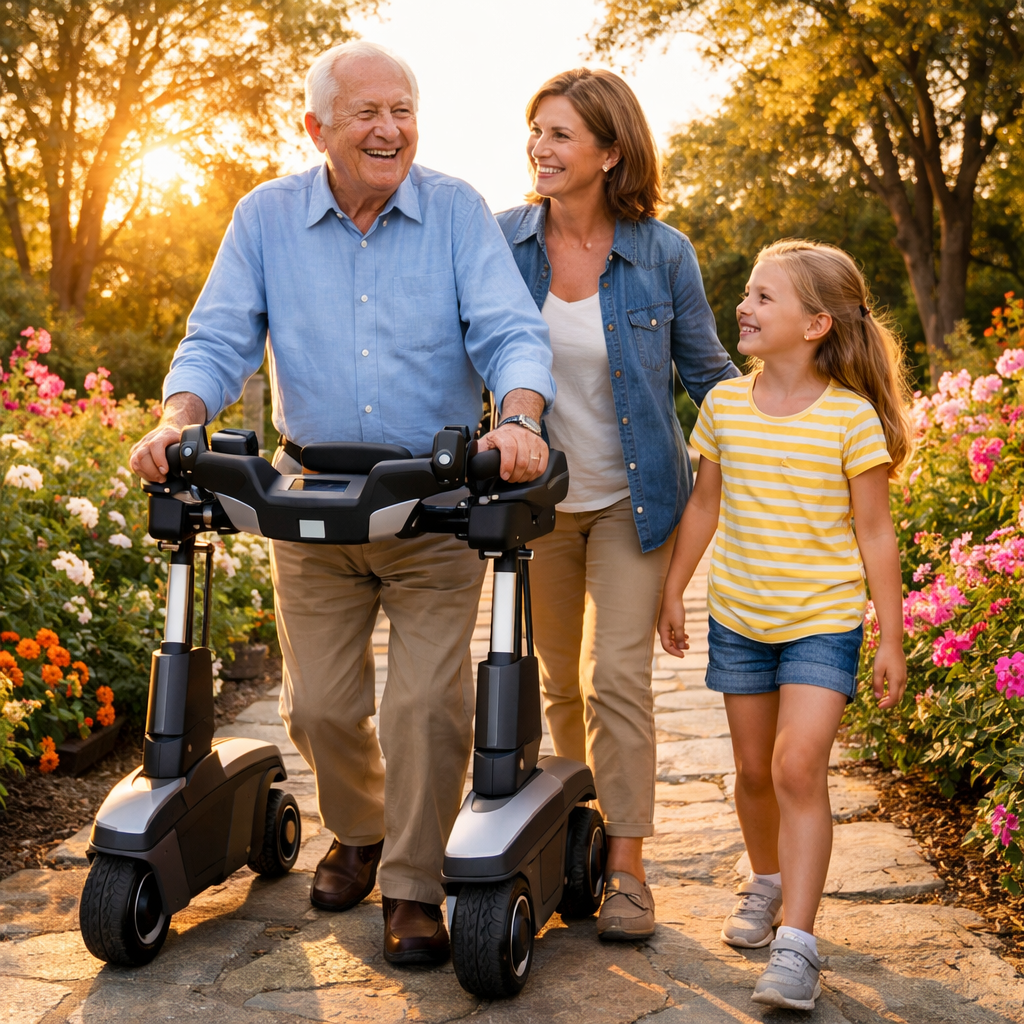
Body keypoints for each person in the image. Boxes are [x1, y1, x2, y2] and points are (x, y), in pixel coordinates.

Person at [129, 41, 556, 967]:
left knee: (426, 708)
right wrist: (178, 418)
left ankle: (410, 884)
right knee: (319, 707)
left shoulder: (453, 212)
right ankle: (358, 828)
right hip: (309, 501)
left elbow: (508, 328)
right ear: (316, 127)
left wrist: (519, 418)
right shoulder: (266, 217)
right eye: (366, 112)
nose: (389, 128)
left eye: (402, 110)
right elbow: (216, 339)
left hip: (431, 500)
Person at [496, 68, 738, 941]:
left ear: (610, 151)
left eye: (561, 134)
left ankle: (628, 872)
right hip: (537, 503)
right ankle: (569, 840)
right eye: (536, 129)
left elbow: (711, 377)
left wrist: (792, 432)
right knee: (558, 682)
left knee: (616, 681)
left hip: (635, 503)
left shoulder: (662, 252)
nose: (541, 148)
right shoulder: (502, 242)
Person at [658, 239, 910, 1010]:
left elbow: (876, 532)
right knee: (754, 772)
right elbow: (704, 505)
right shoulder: (725, 405)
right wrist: (674, 590)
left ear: (815, 324)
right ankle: (765, 880)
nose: (745, 305)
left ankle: (797, 945)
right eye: (748, 292)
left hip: (823, 621)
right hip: (741, 617)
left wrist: (890, 635)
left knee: (799, 767)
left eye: (765, 297)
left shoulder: (851, 420)